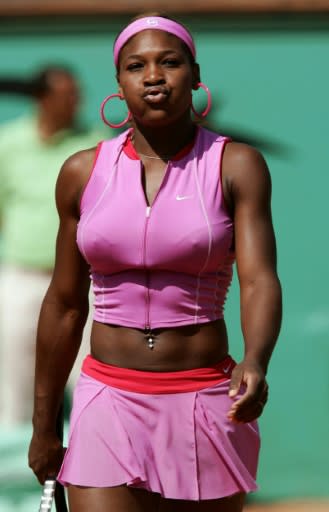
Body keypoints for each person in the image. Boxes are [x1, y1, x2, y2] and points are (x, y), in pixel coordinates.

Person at [28, 13, 282, 512]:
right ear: (118, 83)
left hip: (205, 398)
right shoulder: (82, 172)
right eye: (135, 66)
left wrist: (256, 360)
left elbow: (258, 279)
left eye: (169, 62)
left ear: (195, 72)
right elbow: (63, 304)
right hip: (107, 396)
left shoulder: (237, 165)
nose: (153, 77)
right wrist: (43, 425)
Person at [0, 65, 111, 425]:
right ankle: (13, 476)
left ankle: (89, 471)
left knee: (91, 379)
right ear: (43, 99)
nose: (75, 102)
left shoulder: (96, 144)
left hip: (85, 282)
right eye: (67, 95)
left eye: (77, 94)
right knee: (13, 383)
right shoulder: (8, 144)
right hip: (23, 279)